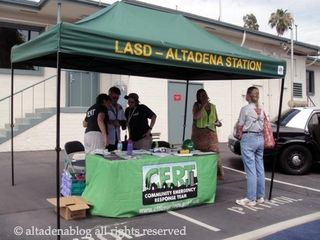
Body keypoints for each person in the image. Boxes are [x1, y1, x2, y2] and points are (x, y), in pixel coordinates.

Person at [235, 86, 265, 206]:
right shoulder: (261, 109)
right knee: (260, 168)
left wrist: (237, 129)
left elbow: (240, 125)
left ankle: (251, 198)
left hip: (249, 139)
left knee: (251, 170)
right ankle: (260, 196)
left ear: (248, 96)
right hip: (260, 138)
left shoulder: (245, 109)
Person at [191, 89, 224, 180]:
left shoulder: (213, 106)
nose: (204, 96)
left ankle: (215, 175)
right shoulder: (196, 105)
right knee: (201, 155)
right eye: (201, 95)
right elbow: (196, 117)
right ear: (198, 98)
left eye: (204, 94)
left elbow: (216, 119)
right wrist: (203, 106)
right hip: (199, 136)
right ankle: (202, 174)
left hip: (211, 135)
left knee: (214, 155)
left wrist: (219, 123)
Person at [107, 86, 127, 151]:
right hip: (107, 138)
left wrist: (121, 123)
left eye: (117, 98)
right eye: (114, 97)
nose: (116, 99)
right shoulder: (105, 106)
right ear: (109, 95)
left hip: (117, 138)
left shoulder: (119, 107)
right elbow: (101, 120)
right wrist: (112, 122)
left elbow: (124, 120)